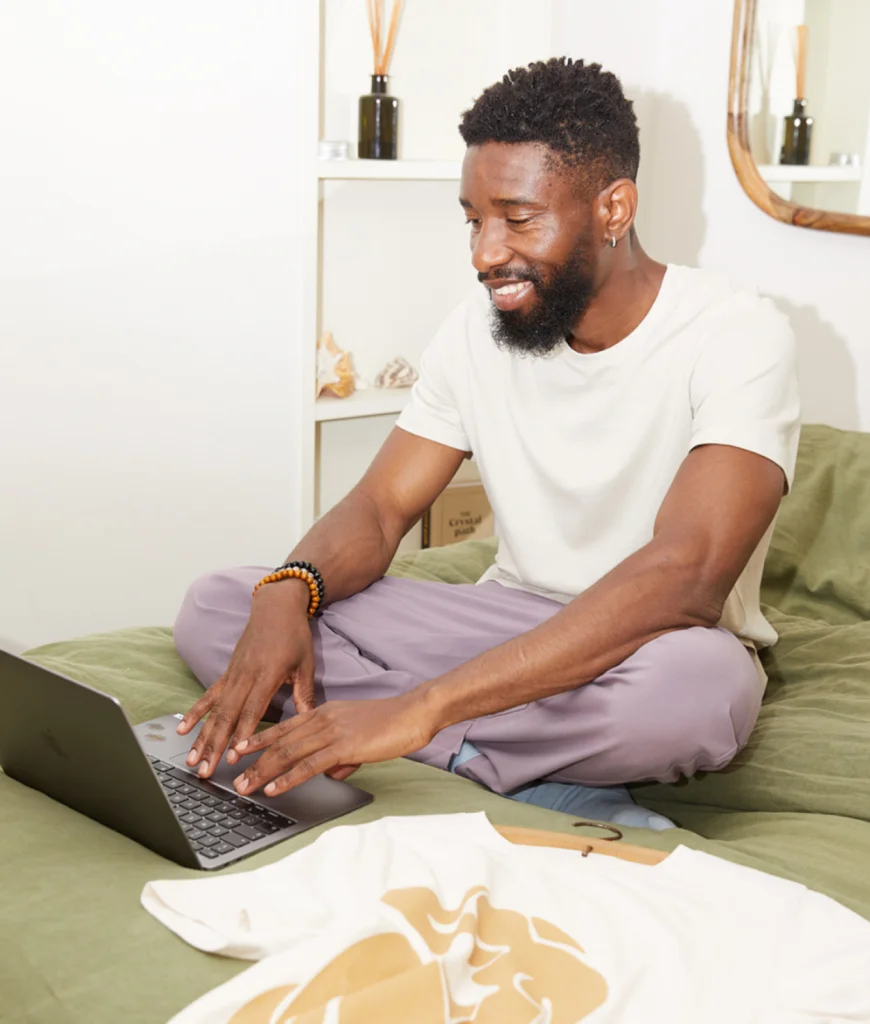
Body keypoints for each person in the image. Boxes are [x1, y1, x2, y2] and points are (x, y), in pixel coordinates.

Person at [173, 57, 799, 831]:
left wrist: (423, 706)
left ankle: (426, 739)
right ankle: (514, 766)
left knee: (704, 689)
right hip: (500, 623)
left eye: (517, 217)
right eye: (474, 219)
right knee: (219, 605)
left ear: (614, 209)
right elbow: (378, 508)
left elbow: (687, 575)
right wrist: (287, 590)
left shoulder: (738, 333)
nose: (483, 253)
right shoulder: (477, 330)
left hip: (649, 642)